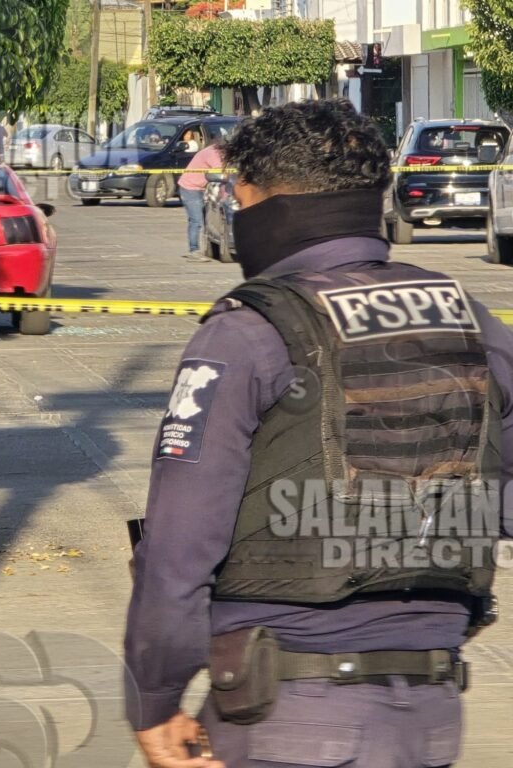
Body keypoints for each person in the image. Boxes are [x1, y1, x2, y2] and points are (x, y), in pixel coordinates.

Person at [125, 99, 513, 768]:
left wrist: (154, 696)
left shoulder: (248, 331)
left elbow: (181, 543)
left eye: (240, 197)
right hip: (429, 713)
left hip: (285, 712)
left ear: (266, 202)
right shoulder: (468, 319)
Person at [177, 140, 225, 262]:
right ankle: (194, 251)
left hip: (198, 188)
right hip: (190, 188)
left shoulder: (213, 150)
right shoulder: (213, 153)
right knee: (196, 220)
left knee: (201, 220)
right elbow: (220, 172)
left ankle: (198, 249)